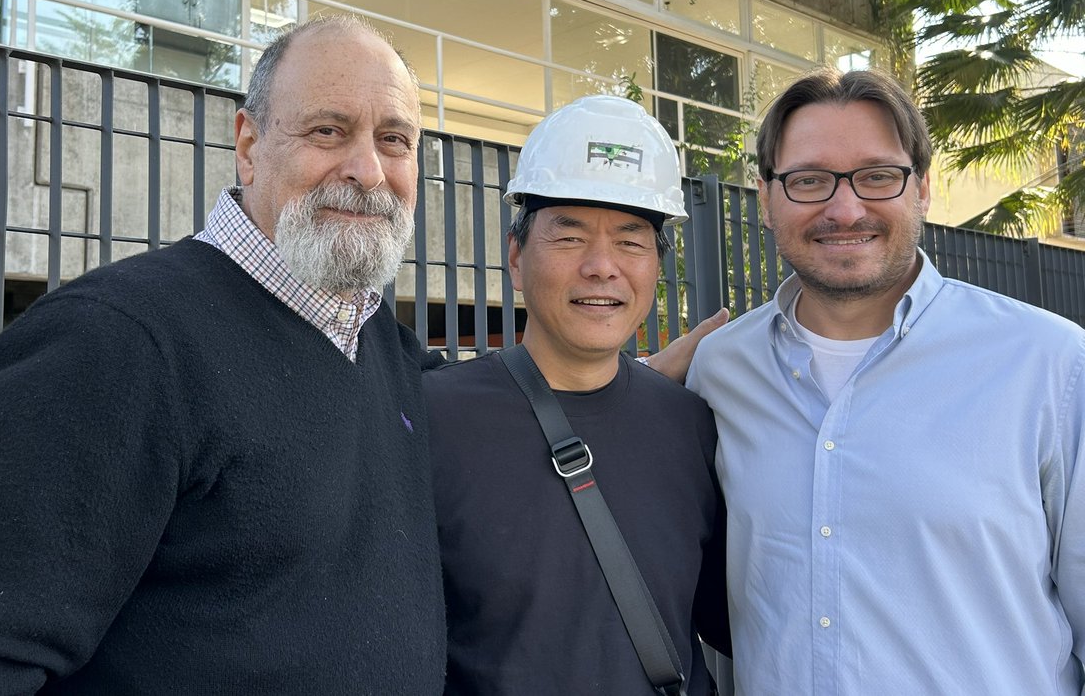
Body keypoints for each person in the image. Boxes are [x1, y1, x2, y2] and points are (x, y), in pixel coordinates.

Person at [0, 15, 448, 693]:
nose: (367, 170)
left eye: (395, 140)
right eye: (328, 131)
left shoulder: (380, 343)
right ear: (249, 145)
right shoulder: (115, 346)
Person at [686, 66, 1085, 694]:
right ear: (766, 198)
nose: (845, 209)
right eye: (809, 180)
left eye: (877, 175)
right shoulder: (721, 369)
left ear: (923, 189)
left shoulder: (1051, 366)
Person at [425, 95, 730, 695]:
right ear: (516, 257)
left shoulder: (692, 425)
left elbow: (732, 619)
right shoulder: (432, 419)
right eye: (568, 238)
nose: (601, 266)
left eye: (631, 240)